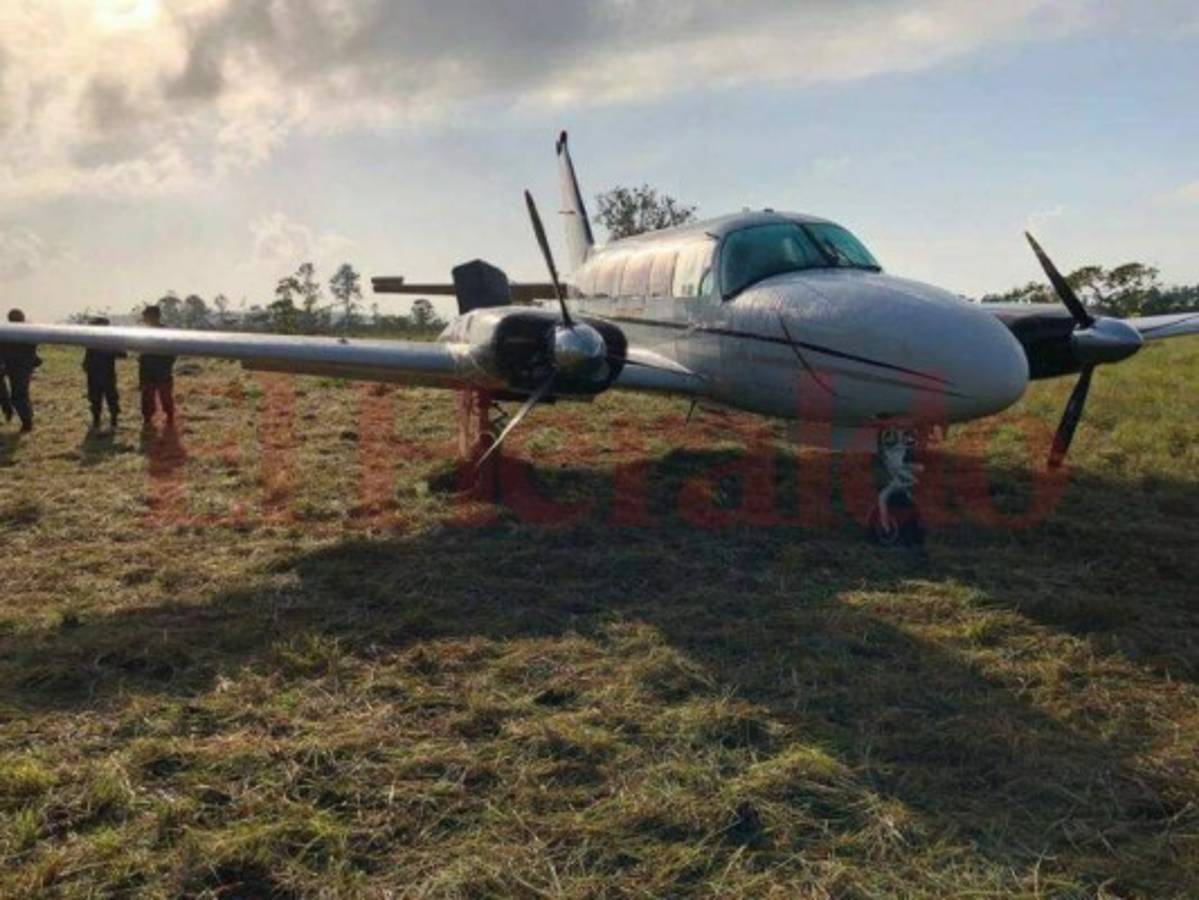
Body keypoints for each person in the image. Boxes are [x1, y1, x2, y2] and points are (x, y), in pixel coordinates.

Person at [0, 309, 40, 433]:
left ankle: (26, 422)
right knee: (18, 394)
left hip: (19, 366)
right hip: (15, 365)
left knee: (19, 395)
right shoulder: (27, 331)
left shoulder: (26, 332)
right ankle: (17, 415)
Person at [82, 317, 126, 430]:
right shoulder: (91, 339)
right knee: (95, 398)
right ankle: (96, 421)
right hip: (94, 373)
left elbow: (122, 354)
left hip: (107, 373)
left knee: (111, 397)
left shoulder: (110, 339)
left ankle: (113, 421)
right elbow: (88, 354)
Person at [138, 305, 176, 426]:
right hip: (148, 371)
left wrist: (166, 364)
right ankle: (147, 419)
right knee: (147, 398)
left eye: (146, 316)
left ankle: (169, 417)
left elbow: (173, 351)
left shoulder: (166, 332)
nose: (144, 319)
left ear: (154, 316)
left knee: (165, 397)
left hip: (162, 371)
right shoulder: (143, 333)